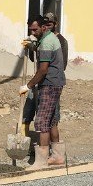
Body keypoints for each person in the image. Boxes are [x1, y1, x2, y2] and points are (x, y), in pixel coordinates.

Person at [20, 15, 66, 170]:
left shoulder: (47, 42)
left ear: (43, 27)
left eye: (35, 29)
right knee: (52, 120)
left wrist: (28, 85)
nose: (32, 32)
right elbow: (40, 49)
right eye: (30, 30)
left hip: (49, 84)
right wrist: (32, 46)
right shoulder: (48, 38)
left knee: (42, 122)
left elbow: (43, 70)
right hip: (56, 82)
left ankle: (41, 161)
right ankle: (58, 156)